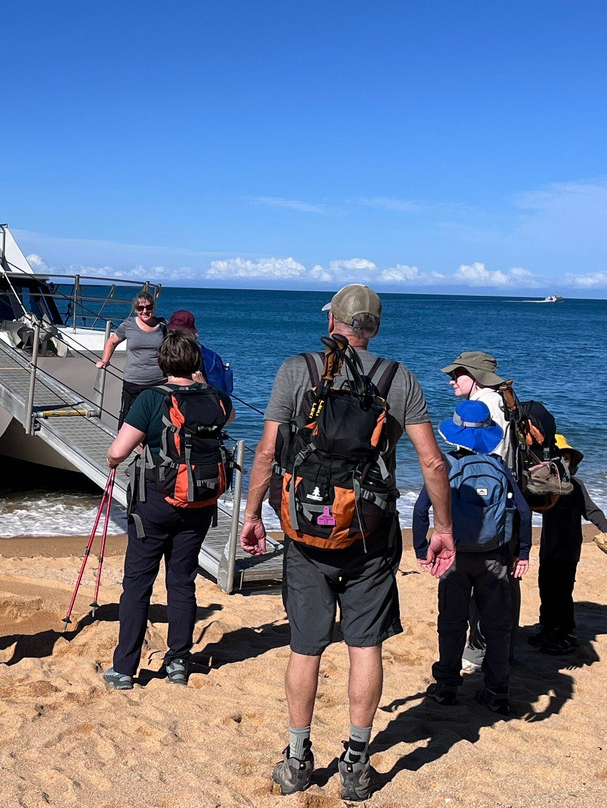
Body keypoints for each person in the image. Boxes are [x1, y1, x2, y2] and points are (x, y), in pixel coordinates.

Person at [238, 284, 455, 801]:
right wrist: (442, 528)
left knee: (305, 648)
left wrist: (251, 514)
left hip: (306, 533)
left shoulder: (298, 370)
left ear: (332, 319)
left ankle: (297, 759)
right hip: (369, 537)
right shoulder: (397, 377)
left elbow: (267, 452)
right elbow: (433, 463)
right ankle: (356, 764)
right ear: (373, 327)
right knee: (365, 646)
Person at [102, 330, 234, 690]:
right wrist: (202, 381)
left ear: (162, 362)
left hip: (155, 503)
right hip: (200, 502)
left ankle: (125, 669)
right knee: (182, 581)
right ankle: (178, 661)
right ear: (196, 363)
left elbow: (118, 451)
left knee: (138, 584)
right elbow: (229, 418)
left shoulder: (151, 398)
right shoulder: (217, 398)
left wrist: (116, 458)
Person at [414, 400, 531, 717]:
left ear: (454, 433)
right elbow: (523, 511)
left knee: (451, 624)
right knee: (497, 627)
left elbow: (420, 508)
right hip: (493, 557)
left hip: (454, 558)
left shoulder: (446, 465)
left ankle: (447, 688)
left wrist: (421, 550)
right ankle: (497, 693)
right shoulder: (499, 465)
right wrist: (522, 553)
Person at [439, 351, 511, 673]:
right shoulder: (491, 401)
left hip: (486, 515)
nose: (452, 380)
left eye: (458, 374)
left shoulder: (489, 403)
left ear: (476, 377)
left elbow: (486, 463)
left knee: (486, 588)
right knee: (494, 584)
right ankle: (490, 653)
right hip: (496, 510)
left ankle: (480, 650)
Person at [532, 434, 607, 655]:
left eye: (567, 458)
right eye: (559, 458)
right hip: (548, 547)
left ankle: (565, 633)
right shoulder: (544, 486)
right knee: (545, 588)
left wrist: (606, 528)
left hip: (568, 548)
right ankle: (547, 628)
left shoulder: (576, 485)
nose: (564, 462)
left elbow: (592, 511)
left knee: (562, 592)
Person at [95, 292, 166, 426]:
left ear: (153, 307)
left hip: (159, 381)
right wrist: (105, 360)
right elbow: (112, 342)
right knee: (128, 419)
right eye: (140, 308)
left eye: (148, 307)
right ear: (135, 310)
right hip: (134, 382)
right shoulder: (128, 325)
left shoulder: (162, 326)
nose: (145, 311)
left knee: (156, 419)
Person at [165, 309, 234, 394]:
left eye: (181, 333)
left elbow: (220, 393)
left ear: (191, 334)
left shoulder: (211, 359)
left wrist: (202, 384)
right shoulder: (163, 352)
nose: (176, 337)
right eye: (172, 332)